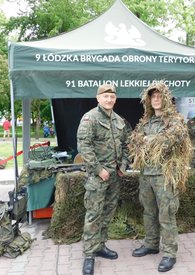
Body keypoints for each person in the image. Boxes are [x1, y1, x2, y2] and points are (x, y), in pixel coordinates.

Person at [128, 81, 192, 273]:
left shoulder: (175, 121)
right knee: (149, 212)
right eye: (152, 97)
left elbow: (170, 140)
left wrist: (147, 141)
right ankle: (151, 244)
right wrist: (145, 141)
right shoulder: (146, 122)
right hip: (146, 174)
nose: (155, 99)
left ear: (165, 98)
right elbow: (134, 140)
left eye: (158, 96)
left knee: (166, 214)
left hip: (165, 175)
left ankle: (169, 253)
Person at [77, 84, 129, 275]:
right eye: (105, 96)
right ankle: (89, 254)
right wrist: (99, 170)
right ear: (98, 98)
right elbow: (85, 147)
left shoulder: (119, 120)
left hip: (114, 176)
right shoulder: (90, 118)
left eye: (112, 97)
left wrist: (122, 166)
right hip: (98, 177)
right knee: (94, 214)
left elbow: (126, 145)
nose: (109, 100)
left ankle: (100, 246)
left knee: (107, 212)